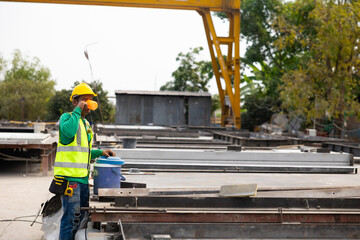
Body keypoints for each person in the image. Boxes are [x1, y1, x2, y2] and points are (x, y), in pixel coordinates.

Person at [53, 83, 115, 240]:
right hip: (69, 180)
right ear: (75, 102)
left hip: (83, 180)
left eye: (90, 100)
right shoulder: (67, 118)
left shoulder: (86, 124)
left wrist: (100, 152)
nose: (88, 104)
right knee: (70, 220)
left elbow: (83, 152)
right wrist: (77, 110)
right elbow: (69, 131)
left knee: (81, 218)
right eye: (84, 100)